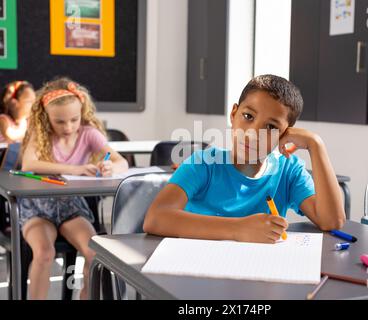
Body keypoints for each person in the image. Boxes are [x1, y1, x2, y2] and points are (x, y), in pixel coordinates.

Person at [143, 74, 345, 244]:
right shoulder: (203, 164)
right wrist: (238, 229)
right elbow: (156, 218)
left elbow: (332, 221)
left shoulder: (288, 171)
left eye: (271, 127)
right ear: (233, 114)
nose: (252, 134)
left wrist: (315, 145)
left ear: (285, 134)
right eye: (248, 116)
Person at [20, 77, 128, 299]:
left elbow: (122, 162)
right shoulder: (39, 133)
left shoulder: (89, 133)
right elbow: (29, 164)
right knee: (44, 253)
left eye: (74, 120)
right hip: (37, 209)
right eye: (59, 121)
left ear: (82, 114)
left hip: (71, 207)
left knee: (94, 252)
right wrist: (75, 168)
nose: (67, 127)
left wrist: (111, 167)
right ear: (46, 117)